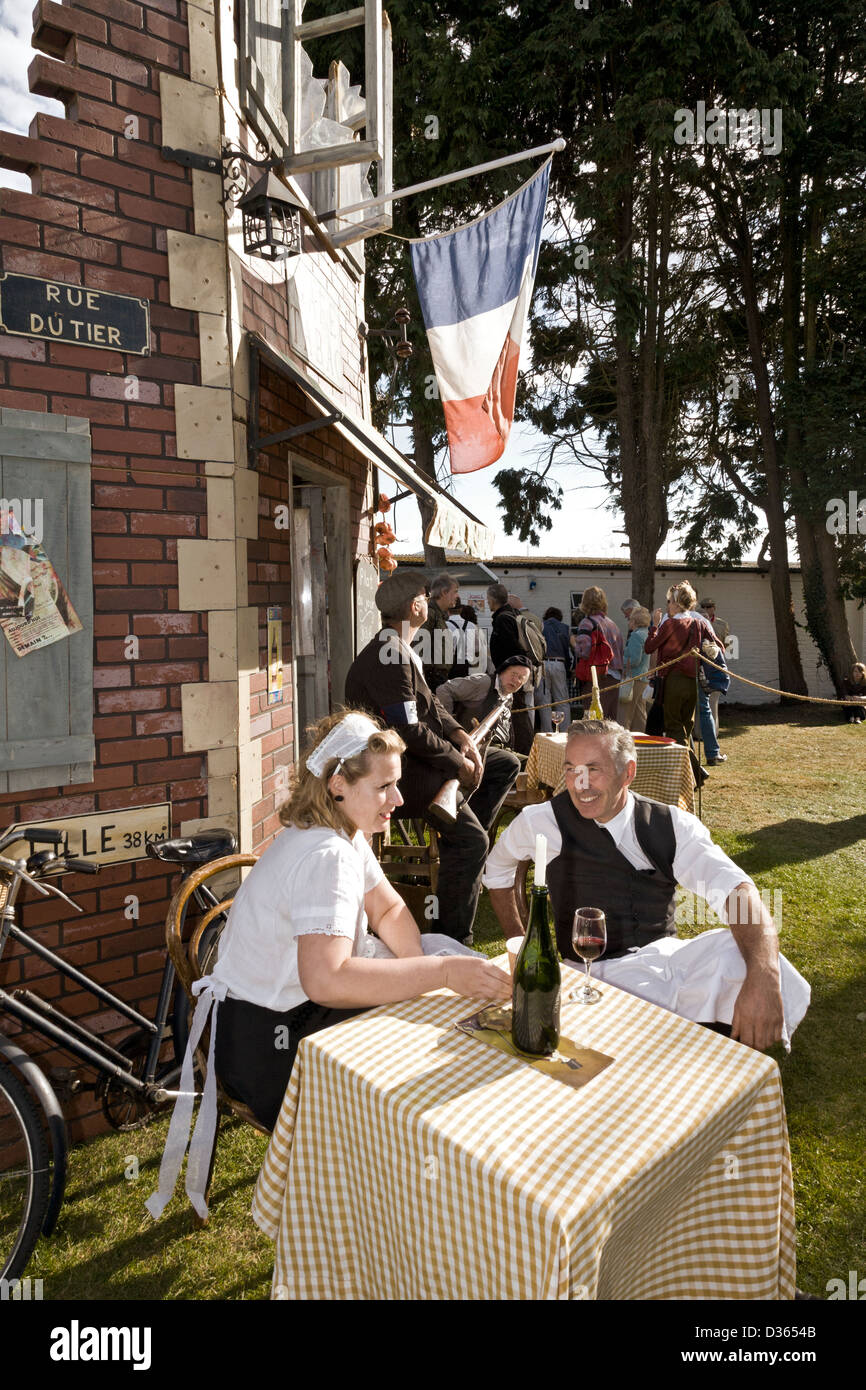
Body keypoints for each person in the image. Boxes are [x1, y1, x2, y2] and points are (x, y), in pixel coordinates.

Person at [145, 711, 511, 1218]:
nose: (400, 800)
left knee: (429, 1025)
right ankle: (400, 1208)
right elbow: (327, 979)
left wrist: (424, 978)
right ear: (339, 784)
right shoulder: (326, 856)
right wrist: (441, 974)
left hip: (274, 1019)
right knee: (416, 1077)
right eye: (385, 787)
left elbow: (386, 907)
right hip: (266, 1045)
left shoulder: (340, 832)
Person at [483, 720, 809, 1051]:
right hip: (587, 973)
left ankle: (727, 1057)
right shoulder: (542, 821)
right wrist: (521, 945)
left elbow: (736, 891)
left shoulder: (673, 825)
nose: (580, 784)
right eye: (571, 769)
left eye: (594, 769)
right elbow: (497, 870)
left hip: (662, 963)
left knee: (740, 954)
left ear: (628, 773)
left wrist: (763, 974)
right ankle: (697, 1044)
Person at [346, 570, 520, 943]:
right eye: (424, 596)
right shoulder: (390, 655)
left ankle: (460, 829)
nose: (428, 601)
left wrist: (461, 736)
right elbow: (408, 730)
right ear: (415, 606)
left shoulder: (398, 647)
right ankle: (452, 940)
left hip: (413, 762)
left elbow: (429, 708)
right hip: (396, 775)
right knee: (473, 842)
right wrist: (459, 763)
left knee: (505, 763)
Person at [643, 582, 706, 748]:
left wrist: (654, 625)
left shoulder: (670, 624)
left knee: (674, 727)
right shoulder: (698, 623)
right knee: (686, 726)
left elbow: (649, 647)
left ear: (677, 604)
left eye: (669, 601)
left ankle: (690, 769)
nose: (668, 605)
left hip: (674, 680)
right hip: (692, 680)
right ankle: (692, 770)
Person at [435, 655, 532, 750]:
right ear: (503, 671)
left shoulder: (509, 695)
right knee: (513, 762)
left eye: (521, 678)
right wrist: (450, 725)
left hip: (502, 748)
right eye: (513, 674)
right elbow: (444, 690)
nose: (515, 680)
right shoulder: (483, 682)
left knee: (532, 762)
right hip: (475, 747)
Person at [487, 583, 537, 755]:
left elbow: (511, 649)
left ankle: (525, 754)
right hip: (518, 673)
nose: (487, 604)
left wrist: (510, 673)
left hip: (512, 675)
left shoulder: (503, 619)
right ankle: (523, 752)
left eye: (488, 600)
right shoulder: (513, 614)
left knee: (518, 714)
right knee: (517, 714)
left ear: (492, 600)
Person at [573, 586, 625, 720]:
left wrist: (573, 643)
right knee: (610, 721)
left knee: (593, 721)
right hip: (615, 677)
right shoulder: (612, 624)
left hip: (596, 677)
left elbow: (583, 652)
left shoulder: (587, 623)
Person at [417, 572, 460, 689]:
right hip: (431, 678)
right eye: (455, 591)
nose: (457, 596)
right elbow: (418, 647)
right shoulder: (430, 614)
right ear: (444, 592)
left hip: (438, 676)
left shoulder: (437, 614)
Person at [538, 606, 573, 732]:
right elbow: (570, 649)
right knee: (562, 700)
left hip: (543, 663)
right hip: (559, 663)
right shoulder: (565, 628)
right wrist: (570, 668)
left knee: (545, 700)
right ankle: (564, 731)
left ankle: (547, 731)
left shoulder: (541, 626)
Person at [699, 598, 730, 736]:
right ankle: (699, 733)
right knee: (701, 703)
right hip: (700, 664)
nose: (707, 609)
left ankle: (714, 732)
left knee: (713, 703)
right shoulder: (697, 622)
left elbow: (726, 643)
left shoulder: (722, 624)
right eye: (704, 606)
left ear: (714, 607)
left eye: (710, 606)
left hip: (715, 663)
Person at [618, 605, 652, 731]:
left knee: (624, 713)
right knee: (639, 713)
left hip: (633, 679)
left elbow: (634, 660)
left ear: (635, 621)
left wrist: (619, 661)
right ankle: (641, 739)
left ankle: (623, 741)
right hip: (643, 678)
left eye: (630, 619)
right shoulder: (647, 634)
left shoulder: (636, 635)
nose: (628, 622)